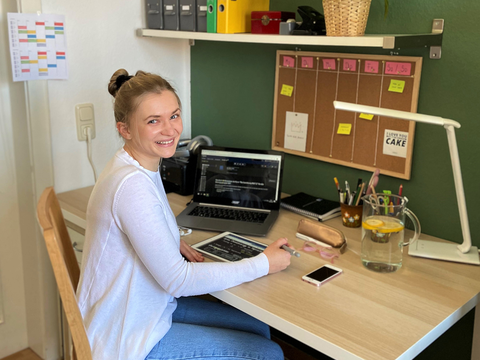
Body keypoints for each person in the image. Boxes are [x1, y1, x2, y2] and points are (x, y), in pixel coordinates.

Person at [76, 69, 293, 360]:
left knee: (257, 327)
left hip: (143, 308)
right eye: (153, 121)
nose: (170, 130)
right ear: (124, 129)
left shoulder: (137, 164)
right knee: (267, 353)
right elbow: (179, 282)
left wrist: (165, 239)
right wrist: (262, 263)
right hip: (125, 338)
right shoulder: (132, 186)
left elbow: (134, 226)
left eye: (174, 116)